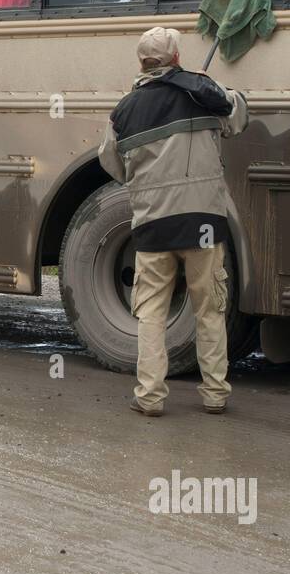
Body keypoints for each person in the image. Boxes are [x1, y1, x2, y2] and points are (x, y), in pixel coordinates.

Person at [99, 27, 247, 417]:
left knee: (151, 313)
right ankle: (215, 394)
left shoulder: (124, 110)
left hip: (153, 224)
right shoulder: (204, 92)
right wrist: (211, 87)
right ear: (177, 58)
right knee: (209, 309)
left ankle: (149, 397)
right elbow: (237, 118)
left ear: (140, 62)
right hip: (203, 223)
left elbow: (112, 164)